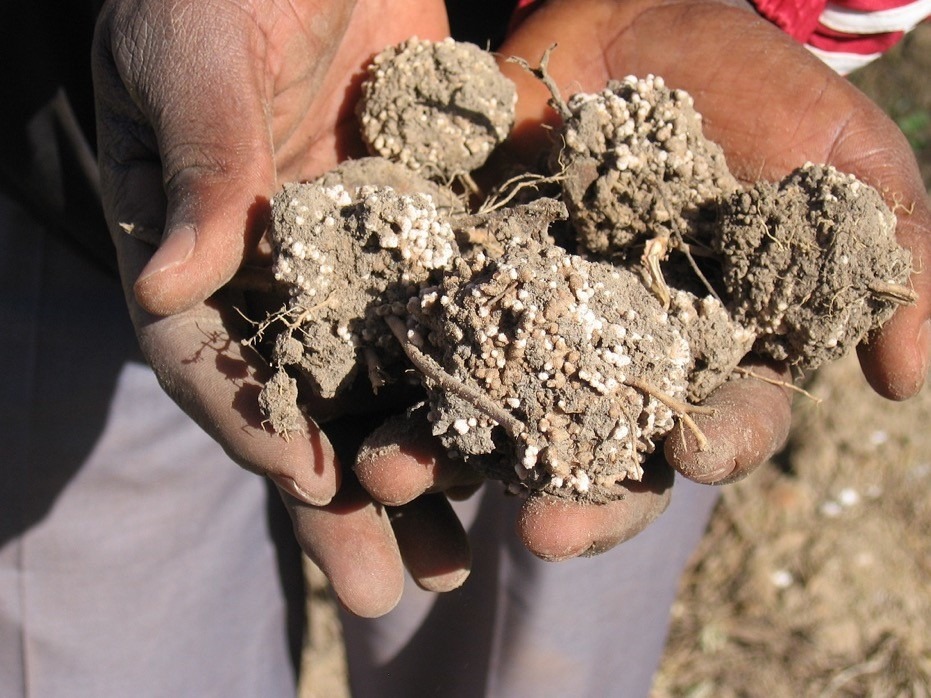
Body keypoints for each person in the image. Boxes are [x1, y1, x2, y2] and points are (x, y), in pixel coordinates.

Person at [0, 0, 927, 696]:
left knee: (533, 641)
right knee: (102, 626)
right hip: (84, 135)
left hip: (661, 89)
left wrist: (765, 12)